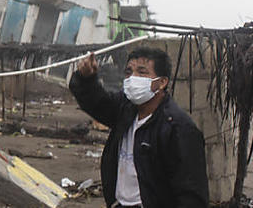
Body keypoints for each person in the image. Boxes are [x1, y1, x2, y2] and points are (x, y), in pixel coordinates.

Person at [69, 47, 208, 208]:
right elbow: (98, 103)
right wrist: (86, 79)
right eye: (129, 72)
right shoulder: (125, 109)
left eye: (142, 72)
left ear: (162, 82)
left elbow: (191, 194)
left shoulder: (178, 128)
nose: (133, 78)